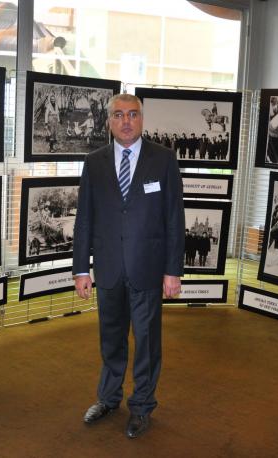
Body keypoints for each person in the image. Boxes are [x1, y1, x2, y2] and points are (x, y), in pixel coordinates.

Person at [73, 93, 184, 439]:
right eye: (118, 115)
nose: (126, 121)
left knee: (147, 342)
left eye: (133, 114)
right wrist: (81, 269)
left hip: (147, 268)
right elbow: (84, 219)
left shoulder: (163, 159)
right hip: (108, 269)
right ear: (108, 121)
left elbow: (174, 218)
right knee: (111, 339)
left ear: (142, 119)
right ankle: (108, 399)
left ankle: (142, 406)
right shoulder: (94, 162)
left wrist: (173, 270)